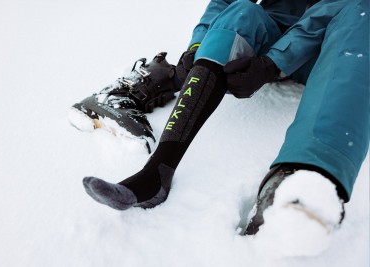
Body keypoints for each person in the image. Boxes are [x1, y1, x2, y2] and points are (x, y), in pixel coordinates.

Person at [81, 0, 369, 235]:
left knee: (363, 11)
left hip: (332, 48)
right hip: (270, 40)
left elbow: (333, 8)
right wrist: (197, 47)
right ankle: (157, 173)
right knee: (242, 11)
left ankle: (305, 181)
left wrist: (275, 62)